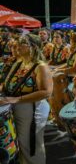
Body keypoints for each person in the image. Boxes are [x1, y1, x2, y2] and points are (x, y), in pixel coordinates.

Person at [0, 34, 53, 164]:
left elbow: (46, 92)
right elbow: (7, 83)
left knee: (31, 146)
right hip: (17, 107)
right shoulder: (19, 62)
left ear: (33, 47)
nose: (16, 45)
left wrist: (16, 99)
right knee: (21, 144)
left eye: (22, 43)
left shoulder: (40, 66)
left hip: (32, 109)